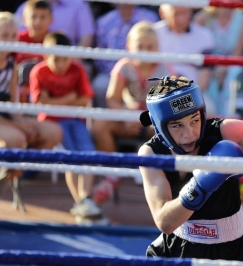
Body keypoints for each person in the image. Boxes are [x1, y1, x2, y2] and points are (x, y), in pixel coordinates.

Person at [137, 76, 243, 259]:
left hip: (233, 247)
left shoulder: (224, 132)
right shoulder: (151, 153)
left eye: (194, 120)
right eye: (176, 125)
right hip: (179, 246)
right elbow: (165, 222)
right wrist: (200, 184)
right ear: (159, 126)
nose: (189, 133)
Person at [91, 21, 176, 205]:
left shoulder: (165, 70)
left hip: (153, 122)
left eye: (150, 46)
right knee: (100, 125)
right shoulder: (124, 66)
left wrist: (145, 118)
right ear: (129, 47)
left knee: (170, 131)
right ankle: (111, 176)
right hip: (126, 118)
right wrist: (127, 116)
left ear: (157, 48)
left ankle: (164, 181)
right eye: (140, 46)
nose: (145, 51)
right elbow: (111, 99)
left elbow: (170, 103)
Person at [29, 32, 107, 225]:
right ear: (46, 55)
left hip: (75, 121)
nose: (61, 64)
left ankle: (86, 200)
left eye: (65, 59)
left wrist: (57, 102)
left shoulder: (77, 69)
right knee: (70, 158)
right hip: (51, 123)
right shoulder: (38, 72)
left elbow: (84, 99)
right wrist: (69, 99)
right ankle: (80, 202)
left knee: (88, 154)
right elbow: (41, 102)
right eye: (56, 59)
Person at [0, 12, 62, 181]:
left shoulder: (12, 65)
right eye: (4, 35)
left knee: (53, 132)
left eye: (13, 35)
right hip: (3, 122)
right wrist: (20, 127)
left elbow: (13, 103)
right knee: (17, 138)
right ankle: (8, 175)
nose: (10, 40)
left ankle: (15, 175)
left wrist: (22, 122)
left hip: (7, 118)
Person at [92, 3, 158, 108]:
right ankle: (114, 118)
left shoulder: (150, 18)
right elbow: (99, 56)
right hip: (111, 72)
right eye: (140, 46)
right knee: (100, 85)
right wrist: (117, 75)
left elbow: (155, 46)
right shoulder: (103, 21)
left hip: (147, 72)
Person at [153, 4, 216, 114]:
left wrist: (189, 97)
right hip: (157, 90)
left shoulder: (204, 35)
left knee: (209, 111)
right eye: (176, 13)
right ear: (162, 13)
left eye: (185, 12)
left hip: (192, 91)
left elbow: (204, 75)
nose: (181, 19)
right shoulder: (153, 33)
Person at [194, 5, 243, 116]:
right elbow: (198, 48)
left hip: (231, 65)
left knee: (234, 72)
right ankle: (208, 116)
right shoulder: (201, 18)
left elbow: (238, 51)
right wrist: (214, 66)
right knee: (204, 75)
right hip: (208, 65)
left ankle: (230, 117)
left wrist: (224, 66)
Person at [16, 0, 53, 64]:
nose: (38, 22)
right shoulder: (16, 39)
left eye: (43, 17)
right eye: (33, 17)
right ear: (24, 20)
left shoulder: (55, 41)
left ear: (51, 19)